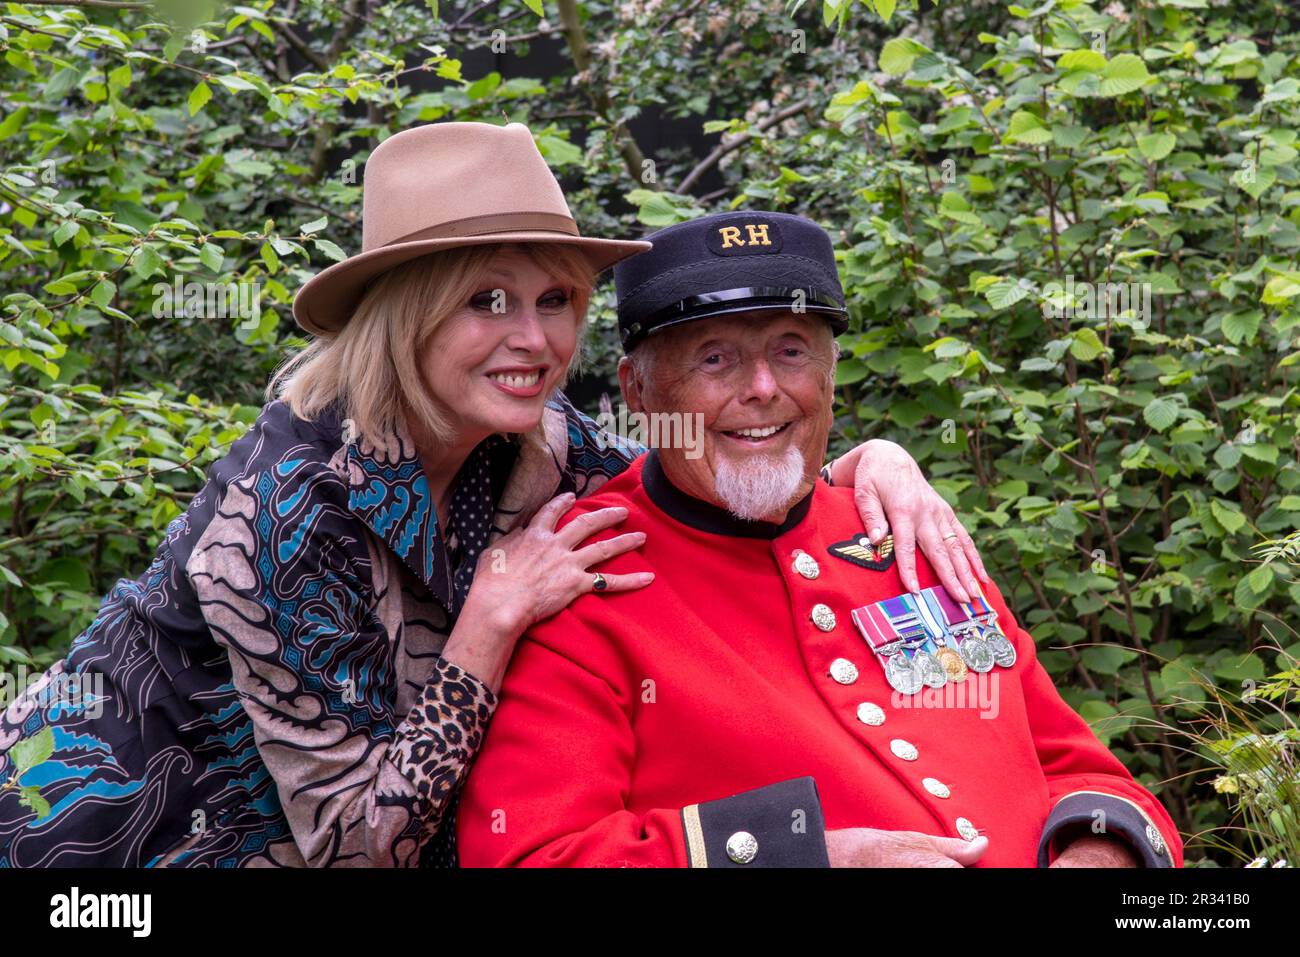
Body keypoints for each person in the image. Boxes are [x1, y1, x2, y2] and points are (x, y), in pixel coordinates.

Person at [0, 125, 978, 867]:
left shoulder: (534, 445)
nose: (535, 340)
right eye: (488, 301)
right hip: (99, 835)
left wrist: (869, 462)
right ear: (408, 314)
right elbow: (356, 847)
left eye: (555, 300)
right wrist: (488, 626)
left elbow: (717, 455)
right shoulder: (286, 509)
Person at [456, 210, 1183, 868]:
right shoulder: (581, 580)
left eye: (793, 351)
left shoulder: (907, 534)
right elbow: (535, 856)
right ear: (639, 390)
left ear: (832, 372)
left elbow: (1086, 775)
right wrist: (808, 856)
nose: (765, 388)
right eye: (716, 359)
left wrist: (1096, 860)